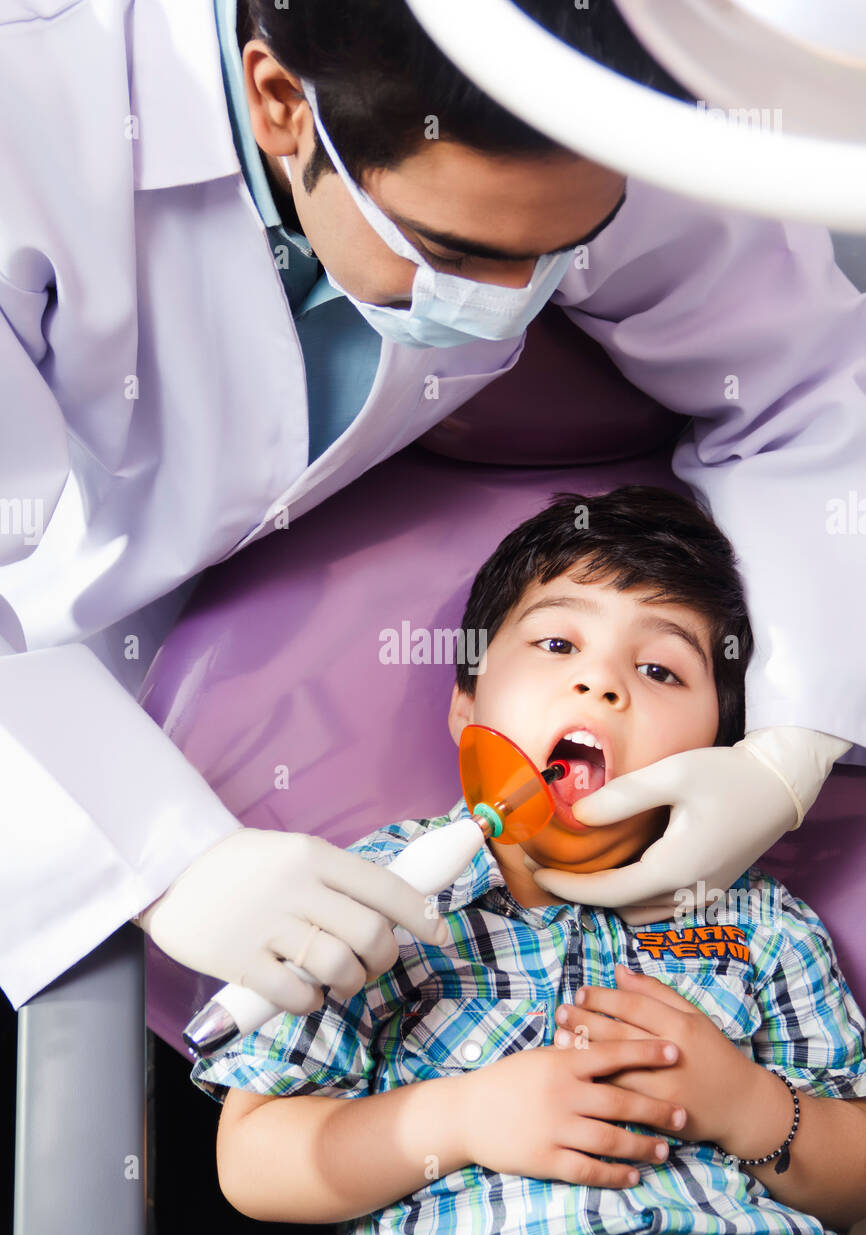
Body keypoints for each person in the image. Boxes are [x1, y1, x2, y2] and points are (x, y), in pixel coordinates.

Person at [0, 0, 860, 1019]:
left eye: (560, 248)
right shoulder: (35, 113)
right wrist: (151, 855)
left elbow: (802, 389)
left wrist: (790, 743)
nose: (508, 298)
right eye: (453, 251)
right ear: (279, 102)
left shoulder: (595, 82)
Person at [193, 487, 866, 1235]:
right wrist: (464, 1120)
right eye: (557, 642)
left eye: (660, 669)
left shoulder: (765, 927)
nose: (602, 686)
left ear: (720, 756)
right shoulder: (367, 898)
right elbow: (255, 1161)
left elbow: (851, 1182)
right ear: (466, 703)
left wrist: (746, 1105)